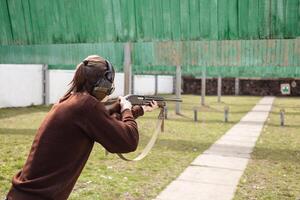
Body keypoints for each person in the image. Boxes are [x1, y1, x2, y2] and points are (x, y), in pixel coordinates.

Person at [6, 55, 158, 200]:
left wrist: (139, 110)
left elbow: (105, 123)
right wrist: (126, 108)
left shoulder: (71, 101)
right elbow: (128, 141)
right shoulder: (86, 106)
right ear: (103, 84)